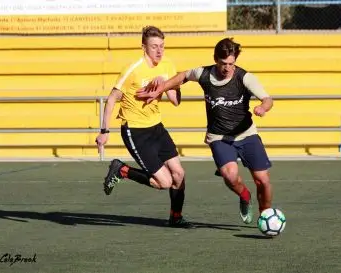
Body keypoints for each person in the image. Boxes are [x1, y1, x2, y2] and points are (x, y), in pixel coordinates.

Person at [136, 37, 273, 224]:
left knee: (262, 180)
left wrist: (263, 108)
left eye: (231, 63)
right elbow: (183, 76)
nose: (227, 68)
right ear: (216, 59)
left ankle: (266, 215)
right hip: (219, 137)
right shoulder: (204, 74)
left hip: (246, 134)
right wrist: (160, 88)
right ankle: (245, 195)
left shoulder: (244, 78)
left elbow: (267, 99)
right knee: (230, 175)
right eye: (223, 63)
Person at [95, 26, 193, 228]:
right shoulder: (133, 69)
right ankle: (122, 170)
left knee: (179, 174)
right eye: (155, 47)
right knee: (164, 183)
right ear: (144, 48)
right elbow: (112, 99)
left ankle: (176, 217)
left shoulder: (167, 65)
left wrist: (168, 83)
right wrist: (104, 131)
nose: (159, 51)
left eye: (162, 46)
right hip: (136, 131)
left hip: (156, 127)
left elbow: (175, 101)